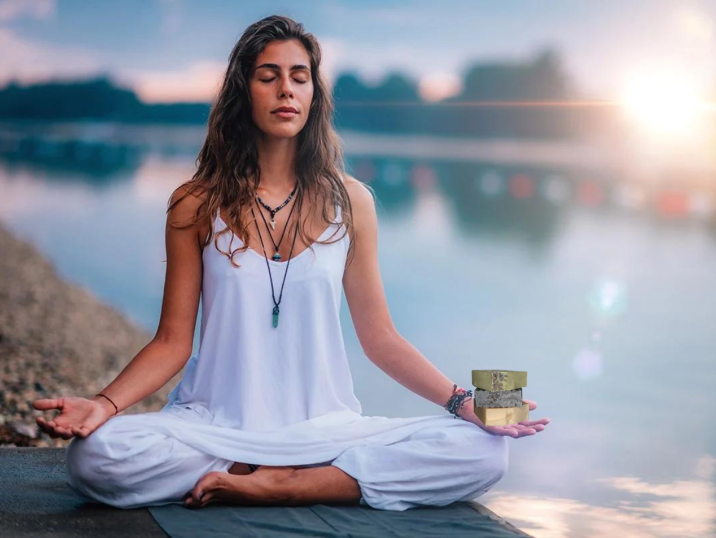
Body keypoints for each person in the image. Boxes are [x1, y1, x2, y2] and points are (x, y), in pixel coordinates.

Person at [32, 14, 550, 511]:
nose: (286, 90)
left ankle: (290, 485)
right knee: (94, 457)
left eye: (299, 77)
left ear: (313, 96)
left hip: (324, 428)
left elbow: (381, 338)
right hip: (216, 428)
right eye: (269, 76)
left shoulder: (353, 202)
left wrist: (471, 402)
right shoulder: (194, 203)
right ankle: (270, 473)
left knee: (487, 450)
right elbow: (172, 341)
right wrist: (103, 404)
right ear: (244, 92)